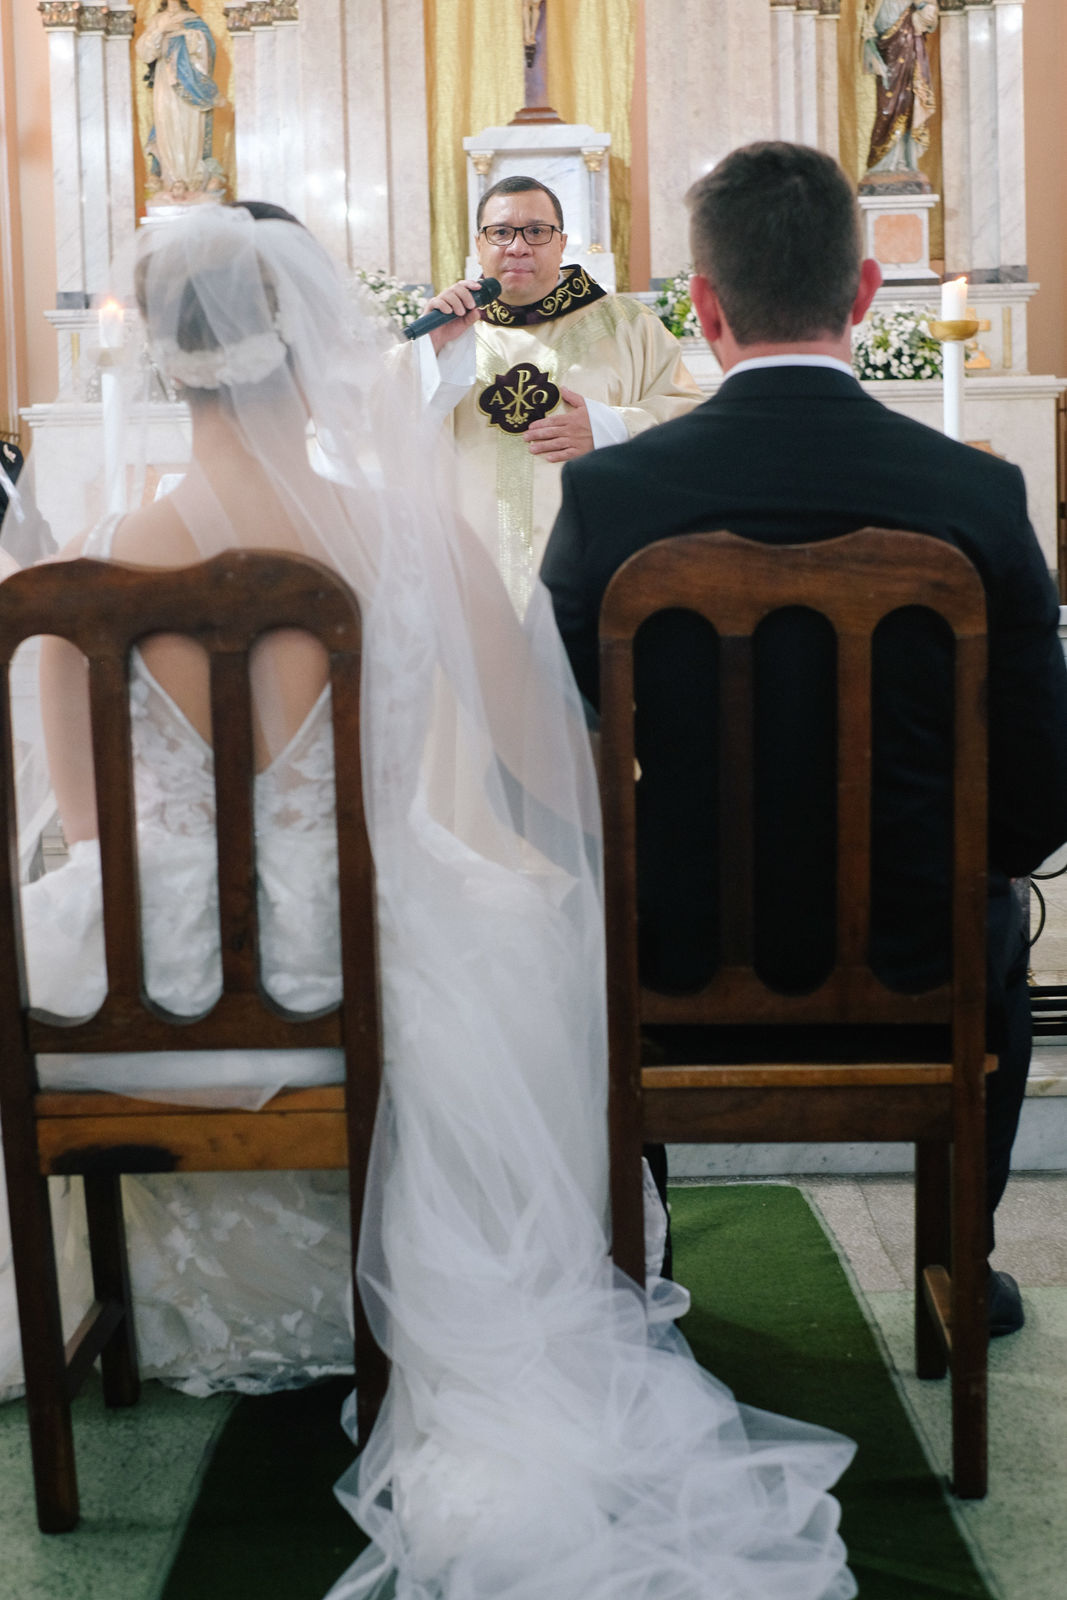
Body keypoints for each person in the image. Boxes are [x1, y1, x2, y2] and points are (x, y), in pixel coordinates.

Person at [0, 201, 857, 1600]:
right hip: (361, 966)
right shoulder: (408, 537)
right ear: (310, 346)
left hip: (132, 995)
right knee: (501, 936)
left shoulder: (65, 580)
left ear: (162, 359)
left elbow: (84, 830)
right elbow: (544, 769)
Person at [542, 140, 1067, 1338]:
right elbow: (1038, 799)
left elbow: (542, 750)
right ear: (866, 291)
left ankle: (645, 1274)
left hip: (666, 962)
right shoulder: (976, 498)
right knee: (998, 923)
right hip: (914, 958)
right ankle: (956, 1268)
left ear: (703, 305)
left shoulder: (611, 500)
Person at [412, 175, 702, 612]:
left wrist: (611, 428)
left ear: (562, 242)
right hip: (470, 575)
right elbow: (367, 425)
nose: (518, 246)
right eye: (501, 232)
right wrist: (426, 351)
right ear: (478, 244)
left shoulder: (628, 325)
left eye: (536, 231)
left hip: (595, 569)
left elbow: (692, 422)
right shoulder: (448, 331)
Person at [136, 0, 228, 202]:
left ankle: (193, 181)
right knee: (166, 126)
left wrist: (187, 35)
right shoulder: (157, 20)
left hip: (190, 85)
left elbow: (206, 49)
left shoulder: (193, 21)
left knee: (190, 128)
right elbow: (145, 52)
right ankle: (170, 181)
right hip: (165, 85)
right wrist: (161, 31)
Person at [861, 0, 938, 181]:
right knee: (887, 107)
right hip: (888, 52)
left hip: (909, 49)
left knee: (908, 101)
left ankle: (905, 160)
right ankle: (884, 162)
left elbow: (931, 18)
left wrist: (921, 6)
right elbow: (870, 23)